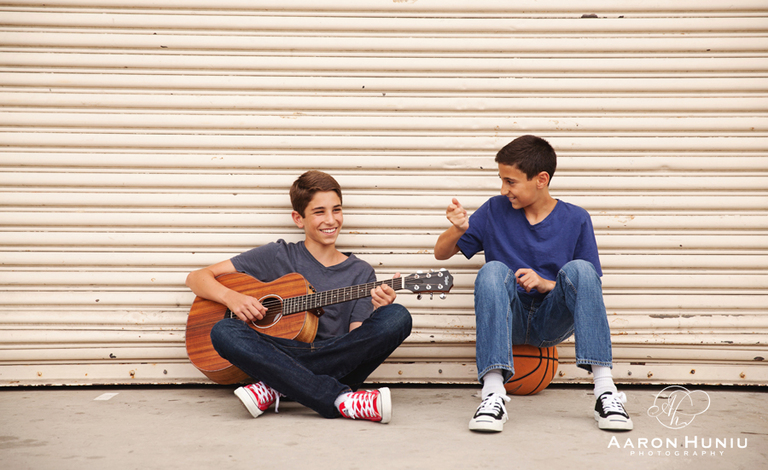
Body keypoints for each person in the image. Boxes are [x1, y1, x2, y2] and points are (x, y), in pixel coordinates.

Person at [434, 135, 632, 433]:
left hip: (550, 321)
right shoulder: (494, 209)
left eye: (510, 182)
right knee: (492, 269)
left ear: (541, 179)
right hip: (510, 318)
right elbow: (441, 253)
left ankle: (606, 392)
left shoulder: (576, 218)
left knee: (582, 269)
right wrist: (458, 228)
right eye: (501, 180)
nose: (503, 190)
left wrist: (546, 284)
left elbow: (587, 286)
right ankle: (492, 394)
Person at [186, 170, 412, 423]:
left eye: (337, 210)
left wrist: (377, 311)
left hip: (334, 356)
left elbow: (356, 342)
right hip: (278, 351)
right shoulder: (278, 254)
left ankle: (276, 385)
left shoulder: (361, 272)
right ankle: (340, 400)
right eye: (319, 212)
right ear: (298, 218)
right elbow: (196, 277)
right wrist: (232, 298)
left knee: (397, 316)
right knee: (223, 330)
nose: (331, 220)